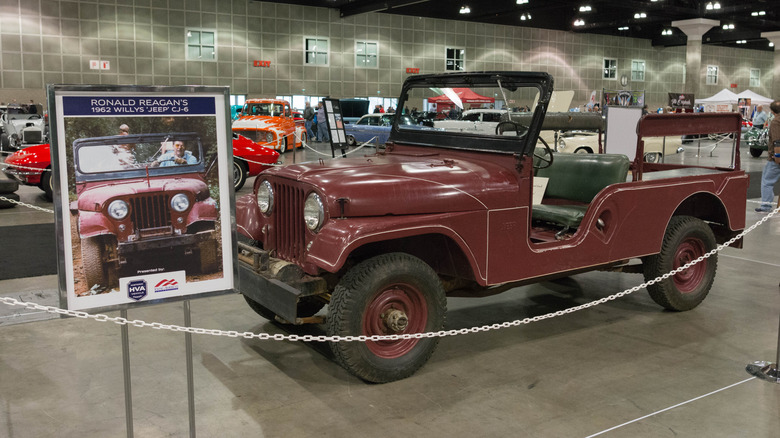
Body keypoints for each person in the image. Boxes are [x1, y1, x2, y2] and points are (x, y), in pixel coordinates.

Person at [755, 100, 780, 212]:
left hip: (775, 158)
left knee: (767, 182)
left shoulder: (776, 122)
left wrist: (777, 157)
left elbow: (777, 141)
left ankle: (765, 206)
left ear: (772, 111)